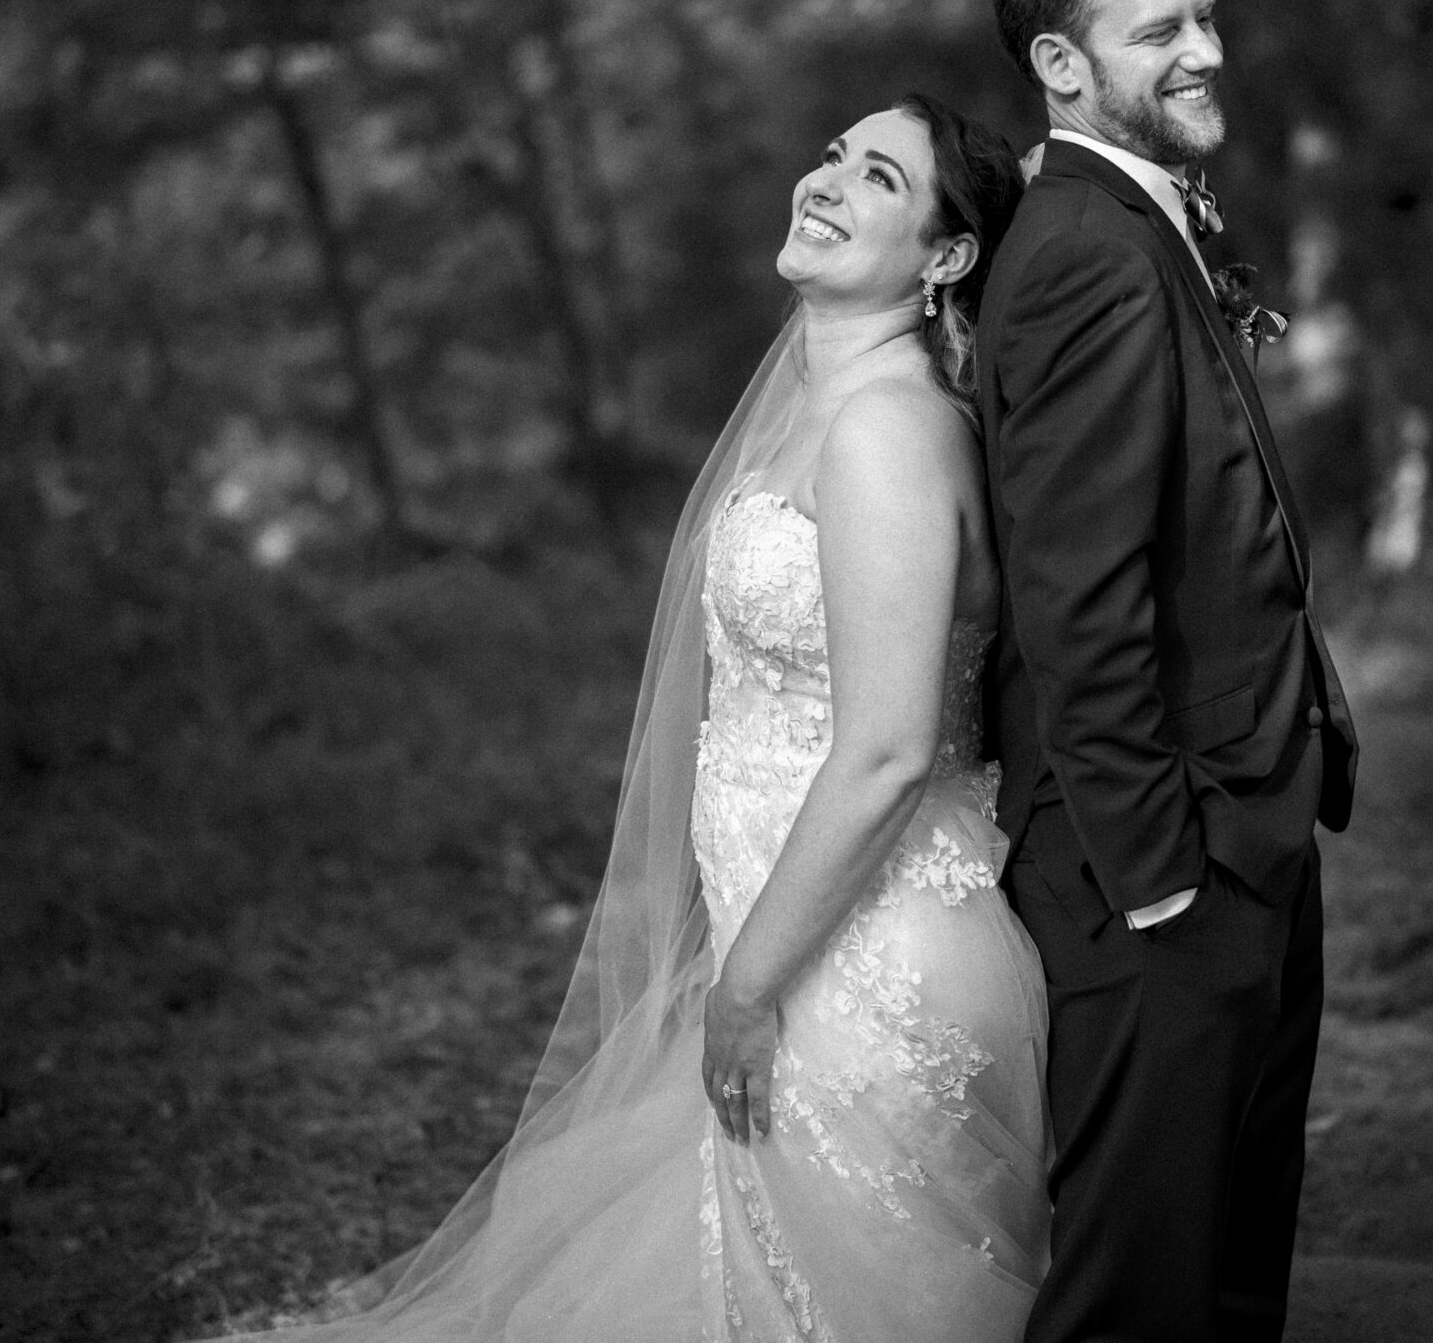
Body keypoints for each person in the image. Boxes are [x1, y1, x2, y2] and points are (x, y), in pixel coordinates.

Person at [196, 94, 1047, 1342]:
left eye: (876, 178)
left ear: (945, 255)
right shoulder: (825, 409)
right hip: (805, 926)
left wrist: (748, 985)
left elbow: (884, 750)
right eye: (829, 155)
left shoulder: (883, 432)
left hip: (870, 966)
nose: (825, 181)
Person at [978, 0, 1360, 1343]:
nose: (1208, 47)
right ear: (1064, 67)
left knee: (1229, 1259)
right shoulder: (1085, 250)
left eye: (1206, 15)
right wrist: (1158, 884)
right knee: (1140, 1290)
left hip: (1249, 818)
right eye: (1163, 31)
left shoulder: (1140, 216)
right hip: (1160, 862)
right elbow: (1080, 598)